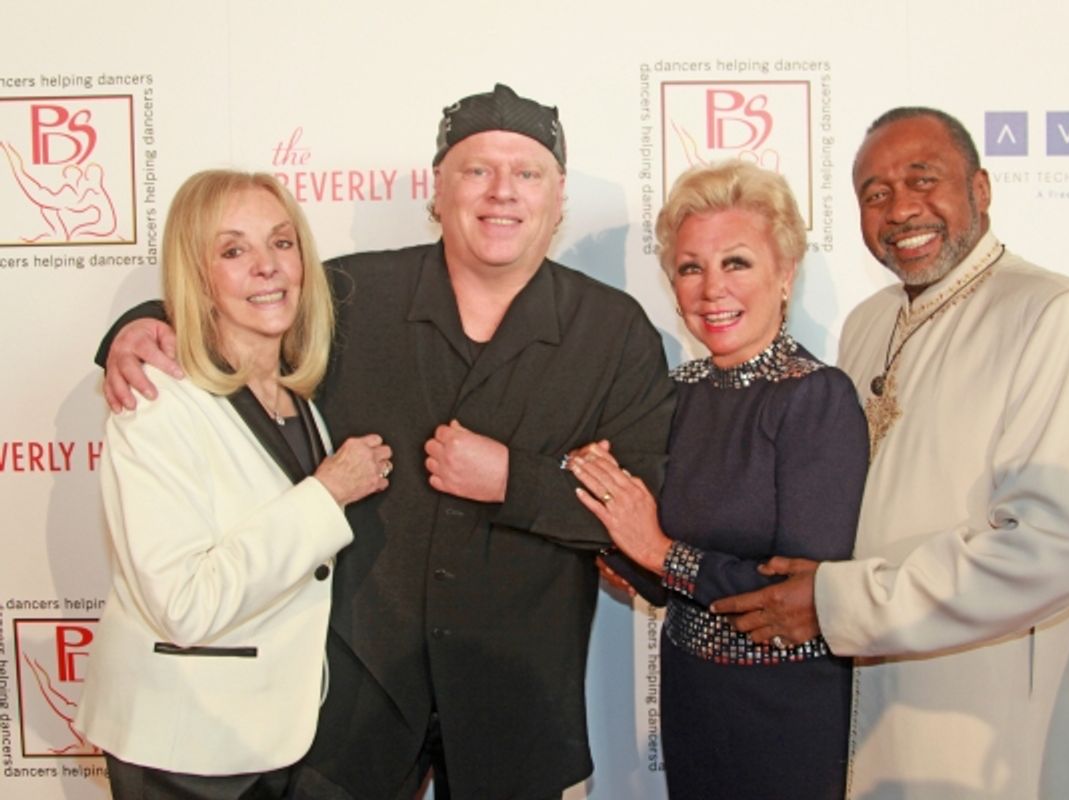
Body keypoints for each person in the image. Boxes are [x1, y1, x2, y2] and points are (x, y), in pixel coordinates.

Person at [97, 85, 676, 799]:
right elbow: (240, 304)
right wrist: (137, 327)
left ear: (558, 200)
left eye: (527, 173)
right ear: (437, 192)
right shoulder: (347, 296)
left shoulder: (615, 334)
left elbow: (650, 526)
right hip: (346, 715)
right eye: (476, 171)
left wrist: (515, 481)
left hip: (519, 714)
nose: (502, 193)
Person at [710, 108, 1069, 798]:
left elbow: (1050, 545)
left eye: (922, 179)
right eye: (876, 194)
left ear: (981, 189)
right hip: (852, 701)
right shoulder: (869, 324)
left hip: (972, 711)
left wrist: (837, 603)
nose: (901, 208)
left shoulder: (1053, 312)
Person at [76, 170, 391, 798]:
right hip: (186, 747)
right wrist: (326, 495)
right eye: (233, 250)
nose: (267, 267)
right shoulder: (156, 402)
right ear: (197, 276)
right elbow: (185, 605)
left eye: (281, 243)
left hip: (282, 735)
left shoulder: (300, 398)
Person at [569, 161, 868, 798]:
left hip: (785, 711)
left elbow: (797, 597)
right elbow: (661, 578)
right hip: (692, 697)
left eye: (736, 262)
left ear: (785, 274)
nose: (711, 290)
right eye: (690, 267)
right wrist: (607, 523)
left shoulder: (816, 398)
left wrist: (654, 549)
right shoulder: (676, 394)